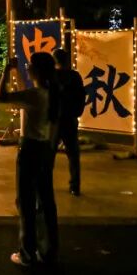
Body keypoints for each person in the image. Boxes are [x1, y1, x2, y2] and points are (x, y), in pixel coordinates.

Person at [0, 51, 59, 266]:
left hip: (30, 149)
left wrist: (6, 71)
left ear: (37, 70)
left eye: (30, 65)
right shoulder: (51, 93)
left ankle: (27, 252)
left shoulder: (34, 95)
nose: (27, 67)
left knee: (25, 200)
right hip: (45, 148)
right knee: (45, 200)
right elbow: (25, 90)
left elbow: (2, 96)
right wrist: (15, 71)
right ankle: (48, 250)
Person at [52, 48, 85, 196]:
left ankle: (46, 182)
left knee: (49, 154)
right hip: (70, 119)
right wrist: (77, 112)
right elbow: (81, 96)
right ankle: (75, 185)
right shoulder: (74, 76)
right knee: (73, 154)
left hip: (55, 120)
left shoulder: (52, 77)